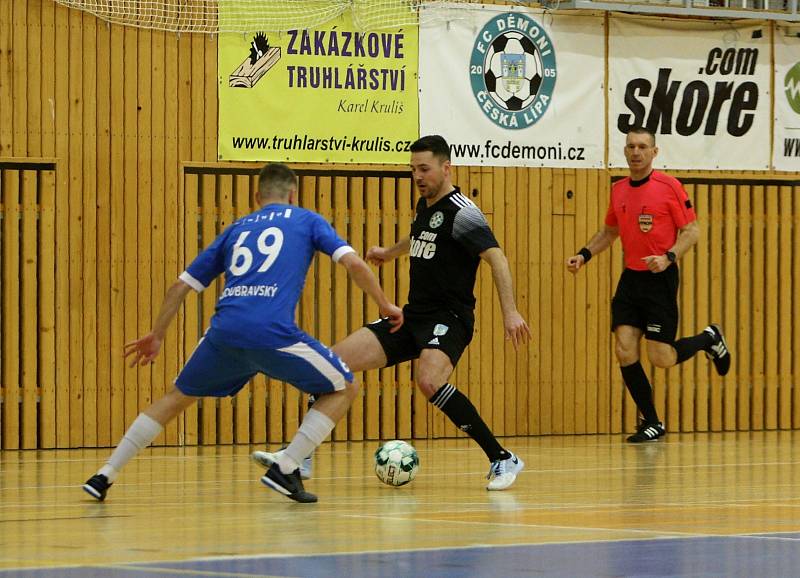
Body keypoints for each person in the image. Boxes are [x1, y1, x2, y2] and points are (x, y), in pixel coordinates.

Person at [82, 163, 403, 503]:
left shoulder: (235, 229)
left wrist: (157, 334)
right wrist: (384, 304)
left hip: (224, 334)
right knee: (347, 385)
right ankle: (288, 464)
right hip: (271, 332)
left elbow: (180, 286)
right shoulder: (307, 220)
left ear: (256, 196)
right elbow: (354, 264)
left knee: (175, 397)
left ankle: (104, 474)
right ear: (293, 194)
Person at [253, 135, 532, 490]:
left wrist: (511, 312)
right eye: (413, 169)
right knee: (332, 362)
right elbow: (420, 236)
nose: (417, 176)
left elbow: (497, 258)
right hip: (413, 315)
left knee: (429, 380)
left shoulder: (463, 212)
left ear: (446, 168)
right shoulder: (426, 205)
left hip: (450, 318)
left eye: (424, 169)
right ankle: (300, 458)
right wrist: (389, 251)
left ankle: (502, 459)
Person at [566, 127, 731, 443]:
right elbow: (609, 232)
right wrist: (584, 254)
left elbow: (692, 232)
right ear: (625, 151)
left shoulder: (669, 187)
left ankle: (708, 339)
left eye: (642, 146)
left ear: (654, 152)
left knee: (662, 358)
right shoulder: (619, 190)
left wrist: (668, 257)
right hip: (631, 280)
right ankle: (652, 422)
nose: (636, 152)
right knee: (624, 348)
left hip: (660, 280)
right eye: (630, 146)